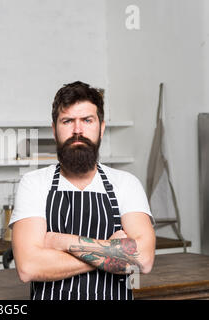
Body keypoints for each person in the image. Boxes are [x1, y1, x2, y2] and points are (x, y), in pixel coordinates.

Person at [9, 81, 156, 300]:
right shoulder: (34, 183)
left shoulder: (126, 183)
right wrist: (113, 251)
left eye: (87, 120)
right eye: (68, 121)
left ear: (101, 127)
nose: (78, 130)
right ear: (54, 129)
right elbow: (28, 267)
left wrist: (62, 242)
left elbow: (142, 259)